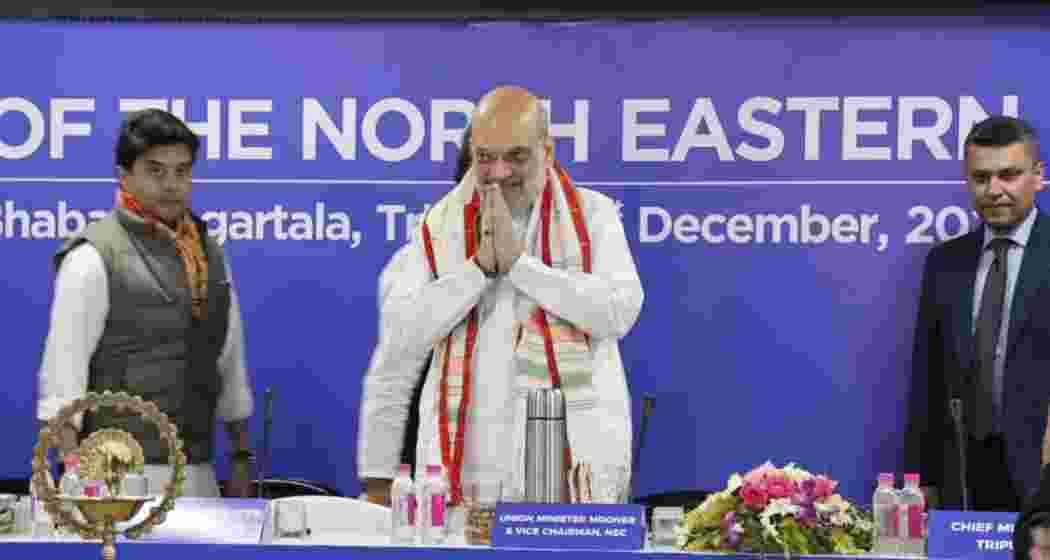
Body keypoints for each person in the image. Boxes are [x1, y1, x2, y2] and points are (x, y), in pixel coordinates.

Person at [357, 85, 644, 506]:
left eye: (517, 156)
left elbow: (618, 312)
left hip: (571, 470)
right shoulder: (438, 227)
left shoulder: (594, 215)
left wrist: (521, 267)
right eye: (486, 157)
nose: (499, 172)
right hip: (466, 469)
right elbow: (402, 335)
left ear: (547, 150)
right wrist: (477, 271)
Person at [36, 108, 255, 498]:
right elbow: (62, 379)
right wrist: (76, 478)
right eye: (156, 171)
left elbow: (229, 360)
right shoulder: (92, 256)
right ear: (125, 176)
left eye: (182, 171)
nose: (171, 184)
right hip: (110, 479)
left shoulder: (211, 254)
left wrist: (241, 457)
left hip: (198, 475)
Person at [906, 115, 1050, 511]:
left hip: (1042, 469)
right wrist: (922, 479)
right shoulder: (944, 263)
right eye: (981, 177)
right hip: (964, 475)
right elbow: (928, 379)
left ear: (1038, 176)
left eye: (1009, 174)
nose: (995, 190)